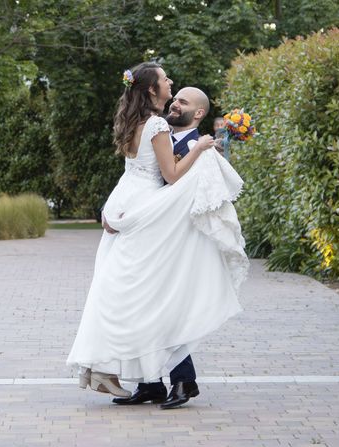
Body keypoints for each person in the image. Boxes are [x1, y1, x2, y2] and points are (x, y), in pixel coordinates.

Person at [66, 62, 248, 408]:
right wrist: (201, 148)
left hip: (129, 202)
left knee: (135, 291)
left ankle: (139, 377)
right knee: (146, 293)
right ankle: (147, 378)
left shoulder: (132, 122)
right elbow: (173, 174)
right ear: (152, 90)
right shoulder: (158, 124)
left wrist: (114, 208)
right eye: (166, 82)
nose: (171, 84)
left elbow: (136, 172)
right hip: (151, 210)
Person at [112, 86, 212, 408]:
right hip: (151, 233)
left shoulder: (203, 148)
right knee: (145, 305)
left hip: (177, 239)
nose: (174, 102)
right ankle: (150, 382)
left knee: (168, 308)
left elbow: (193, 193)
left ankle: (185, 380)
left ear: (197, 113)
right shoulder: (158, 134)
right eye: (175, 96)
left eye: (182, 101)